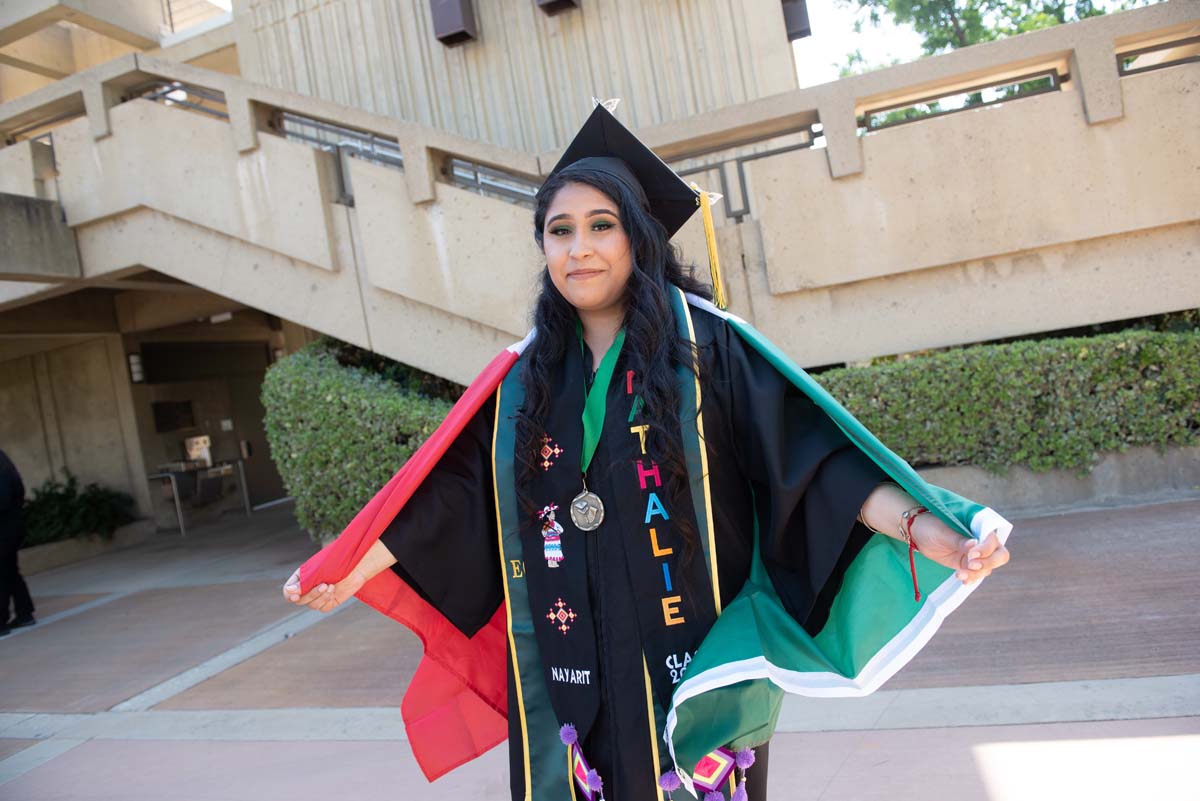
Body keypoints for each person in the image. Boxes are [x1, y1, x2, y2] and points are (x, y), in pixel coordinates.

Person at [282, 102, 1012, 800]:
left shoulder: (708, 348)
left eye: (601, 225)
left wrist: (930, 530)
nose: (580, 248)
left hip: (691, 665)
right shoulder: (522, 382)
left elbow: (815, 464)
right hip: (578, 668)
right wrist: (348, 573)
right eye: (560, 231)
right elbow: (453, 500)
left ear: (638, 236)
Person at [1, 449, 36, 638]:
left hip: (4, 527)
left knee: (3, 573)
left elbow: (3, 499)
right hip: (13, 524)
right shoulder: (4, 463)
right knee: (10, 571)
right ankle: (24, 613)